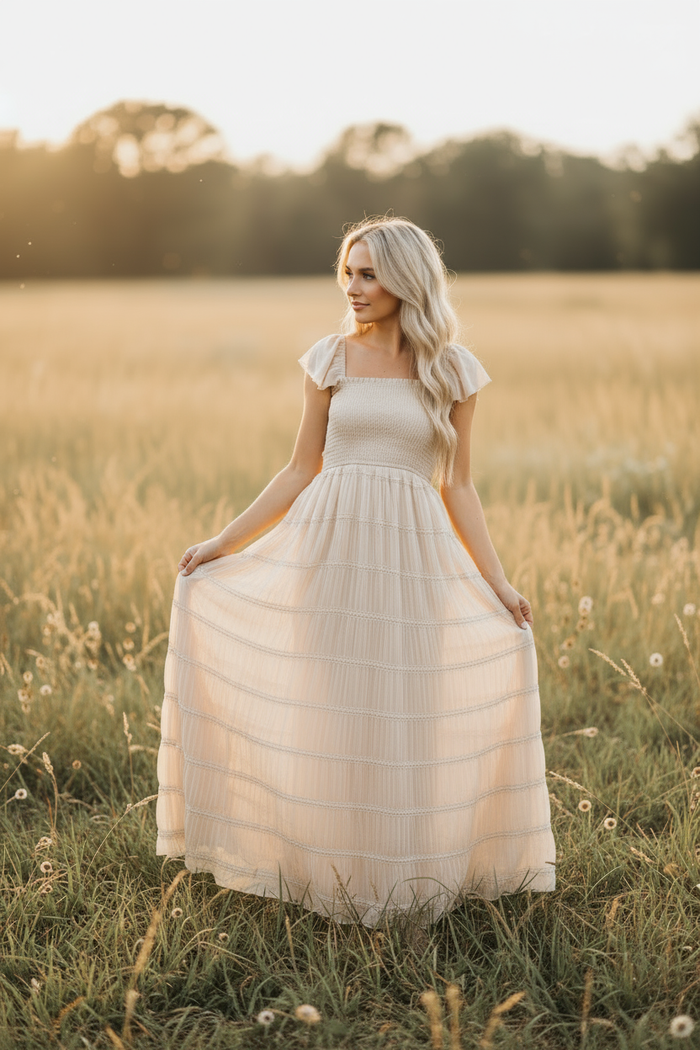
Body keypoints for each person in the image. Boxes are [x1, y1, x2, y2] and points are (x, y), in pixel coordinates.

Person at [156, 216, 556, 927]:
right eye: (348, 271)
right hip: (330, 552)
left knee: (409, 713)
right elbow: (299, 468)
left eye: (369, 273)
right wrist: (222, 542)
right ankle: (332, 878)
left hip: (413, 559)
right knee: (337, 711)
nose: (353, 287)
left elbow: (457, 486)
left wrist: (498, 582)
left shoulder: (453, 369)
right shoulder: (329, 357)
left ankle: (406, 881)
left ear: (406, 279)